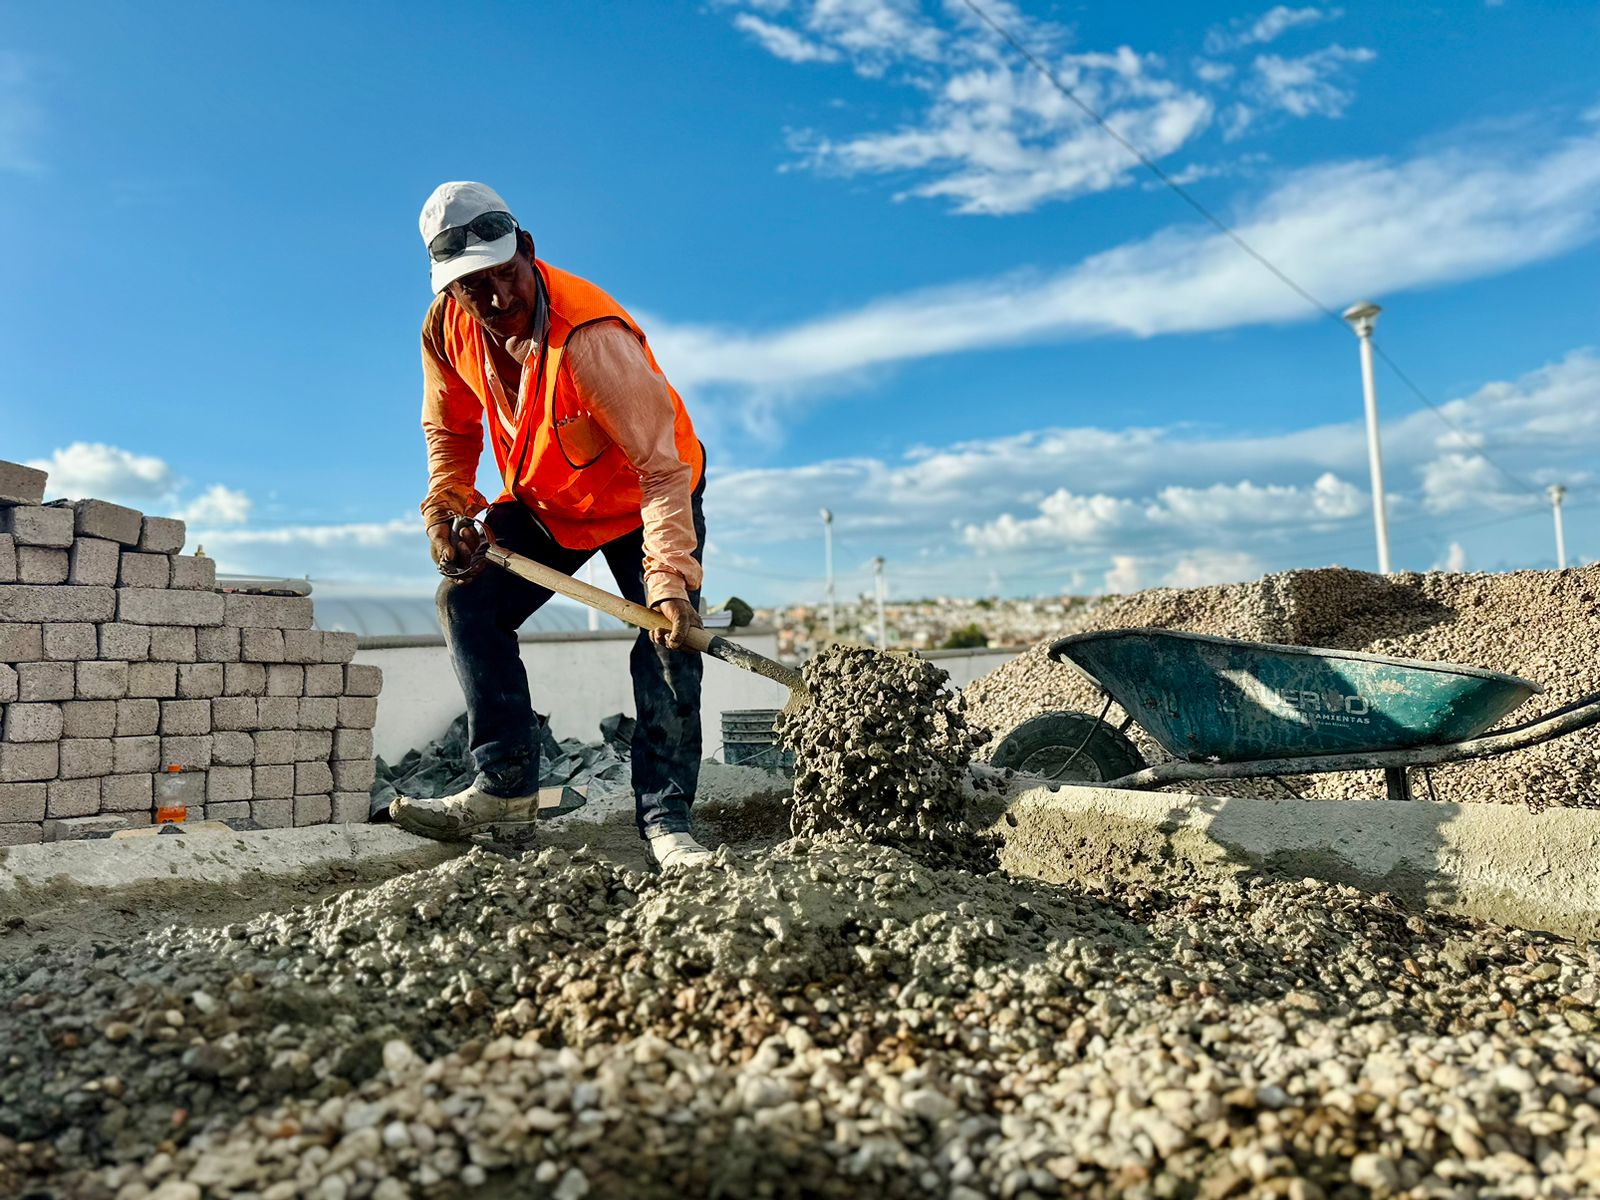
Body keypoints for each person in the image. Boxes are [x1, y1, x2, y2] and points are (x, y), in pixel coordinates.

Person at [389, 181, 713, 870]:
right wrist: (447, 504)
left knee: (665, 643)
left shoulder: (590, 338)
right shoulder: (445, 326)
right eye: (473, 287)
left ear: (527, 252)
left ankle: (667, 819)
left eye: (504, 276)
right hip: (549, 496)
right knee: (468, 599)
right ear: (448, 288)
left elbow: (661, 471)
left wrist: (669, 583)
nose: (495, 298)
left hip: (644, 497)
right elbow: (449, 427)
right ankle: (505, 791)